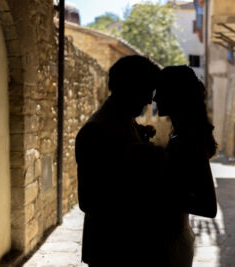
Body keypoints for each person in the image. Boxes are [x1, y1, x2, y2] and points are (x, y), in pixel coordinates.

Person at [75, 55, 163, 266]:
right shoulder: (96, 132)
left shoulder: (126, 123)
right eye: (146, 91)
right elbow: (89, 200)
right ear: (129, 88)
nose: (149, 100)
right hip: (111, 249)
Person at [154, 65, 218, 267]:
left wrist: (158, 194)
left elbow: (208, 206)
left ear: (176, 95)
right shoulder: (179, 134)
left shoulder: (190, 140)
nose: (155, 98)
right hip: (170, 239)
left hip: (173, 245)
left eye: (161, 91)